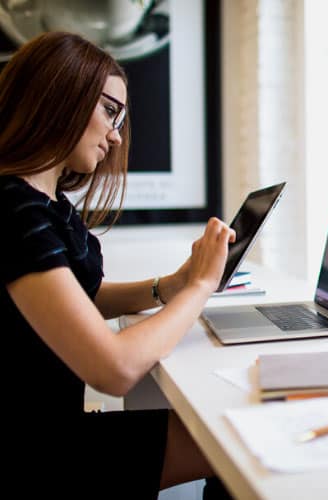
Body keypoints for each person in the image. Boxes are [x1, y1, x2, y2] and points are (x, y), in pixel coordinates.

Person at [0, 32, 235, 499]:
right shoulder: (13, 211)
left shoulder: (42, 204)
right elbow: (115, 369)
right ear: (60, 93)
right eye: (110, 111)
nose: (115, 134)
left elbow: (75, 296)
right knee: (233, 439)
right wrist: (201, 286)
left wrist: (170, 285)